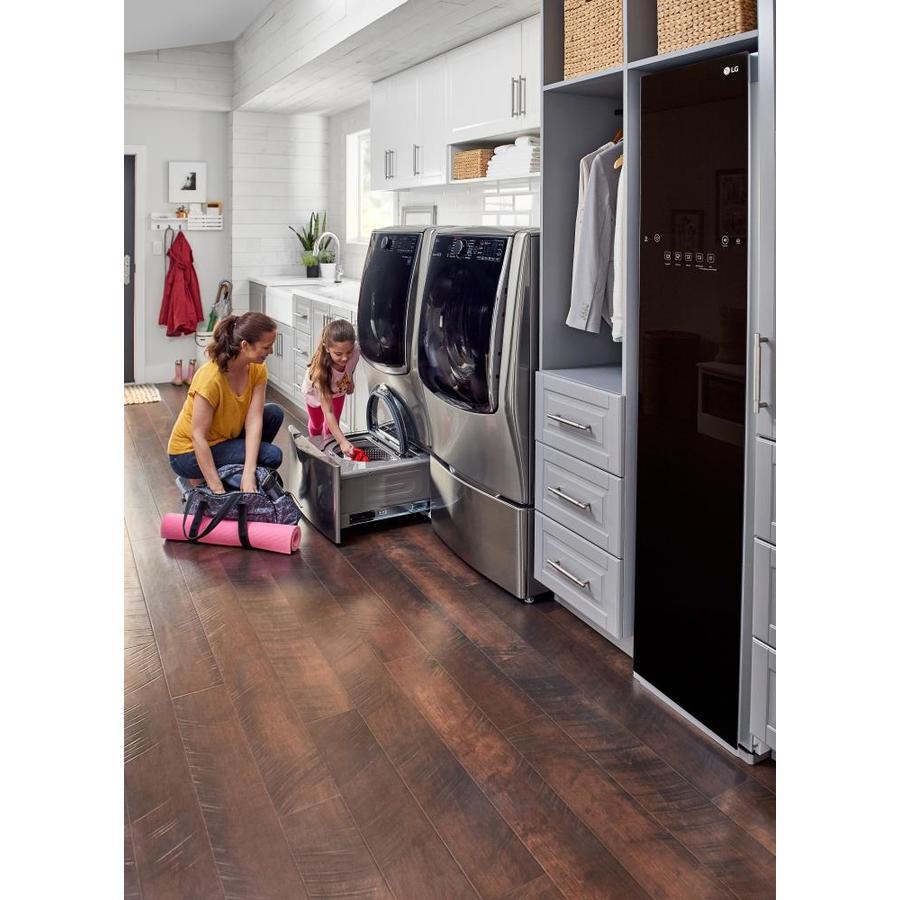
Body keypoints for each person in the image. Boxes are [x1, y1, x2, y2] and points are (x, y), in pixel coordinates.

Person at [167, 312, 284, 494]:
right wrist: (217, 490)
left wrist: (249, 472)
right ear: (245, 346)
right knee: (272, 455)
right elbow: (198, 437)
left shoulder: (257, 369)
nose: (271, 351)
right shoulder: (210, 378)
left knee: (274, 413)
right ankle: (202, 479)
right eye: (266, 347)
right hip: (187, 453)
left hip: (224, 439)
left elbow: (254, 420)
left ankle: (235, 471)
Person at [301, 318, 359, 457]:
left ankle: (329, 456)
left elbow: (351, 367)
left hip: (338, 390)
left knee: (332, 426)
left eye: (349, 352)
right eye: (338, 354)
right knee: (317, 425)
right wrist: (343, 441)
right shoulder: (321, 374)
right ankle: (315, 448)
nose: (345, 358)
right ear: (327, 348)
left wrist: (350, 381)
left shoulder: (356, 350)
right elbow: (329, 412)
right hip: (315, 395)